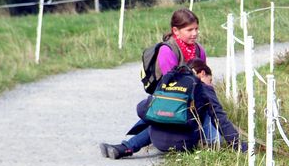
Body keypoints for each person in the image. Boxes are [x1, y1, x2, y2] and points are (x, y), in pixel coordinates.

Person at [100, 61, 246, 159]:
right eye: (211, 79)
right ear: (202, 73)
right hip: (183, 143)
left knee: (158, 120)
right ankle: (213, 144)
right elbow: (221, 119)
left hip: (157, 139)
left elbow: (141, 110)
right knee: (208, 114)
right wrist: (240, 146)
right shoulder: (203, 88)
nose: (211, 84)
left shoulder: (170, 83)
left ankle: (124, 148)